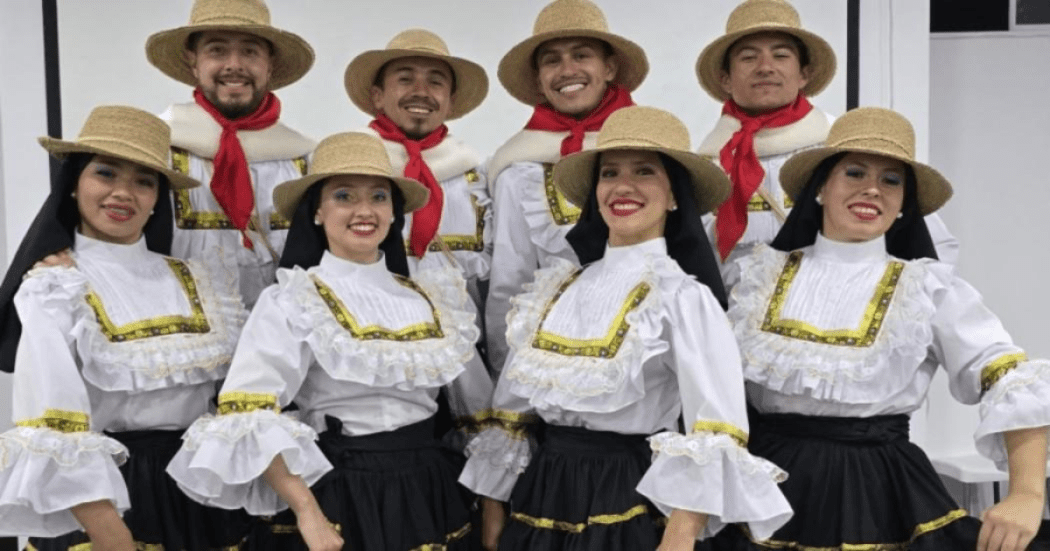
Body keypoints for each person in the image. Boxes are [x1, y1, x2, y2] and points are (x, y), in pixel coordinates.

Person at [712, 107, 1050, 551]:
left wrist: (1026, 493)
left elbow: (1009, 377)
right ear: (820, 188)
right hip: (764, 486)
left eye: (892, 180)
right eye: (854, 173)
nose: (872, 188)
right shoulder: (754, 278)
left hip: (881, 491)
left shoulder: (928, 288)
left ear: (904, 204)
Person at [459, 106, 792, 551]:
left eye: (644, 172)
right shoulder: (556, 288)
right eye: (610, 172)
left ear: (675, 196)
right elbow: (514, 411)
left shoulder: (683, 297)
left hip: (630, 495)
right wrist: (494, 506)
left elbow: (715, 426)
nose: (623, 186)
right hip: (542, 492)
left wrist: (680, 535)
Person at [166, 132, 494, 551]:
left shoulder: (434, 299)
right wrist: (307, 511)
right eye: (344, 196)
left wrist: (489, 505)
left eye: (378, 197)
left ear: (394, 213)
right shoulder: (293, 297)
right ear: (318, 212)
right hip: (337, 490)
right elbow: (248, 413)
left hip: (429, 487)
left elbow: (478, 415)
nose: (364, 210)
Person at [0, 106, 250, 550]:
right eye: (106, 174)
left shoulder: (200, 279)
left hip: (195, 493)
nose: (123, 193)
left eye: (143, 181)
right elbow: (54, 425)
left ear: (158, 199)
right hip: (101, 498)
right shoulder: (54, 285)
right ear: (74, 186)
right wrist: (113, 537)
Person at [694, 0, 958, 275]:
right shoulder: (705, 165)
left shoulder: (843, 145)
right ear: (726, 79)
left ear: (804, 74)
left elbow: (930, 244)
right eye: (748, 57)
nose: (765, 67)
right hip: (728, 313)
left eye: (781, 56)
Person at [485, 0, 649, 375]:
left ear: (609, 68)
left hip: (652, 361)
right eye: (551, 60)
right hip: (561, 365)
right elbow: (510, 290)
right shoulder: (519, 171)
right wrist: (508, 396)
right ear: (539, 78)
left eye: (581, 55)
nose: (567, 70)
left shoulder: (654, 157)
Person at [145, 0, 316, 308]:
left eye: (250, 51)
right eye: (217, 50)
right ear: (193, 61)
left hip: (283, 342)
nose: (234, 64)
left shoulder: (305, 159)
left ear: (270, 64)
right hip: (185, 339)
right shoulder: (154, 148)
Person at [345, 28, 491, 314]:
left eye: (435, 82)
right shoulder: (346, 169)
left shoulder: (476, 176)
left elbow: (494, 282)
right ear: (377, 96)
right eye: (405, 79)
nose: (421, 92)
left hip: (460, 352)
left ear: (450, 101)